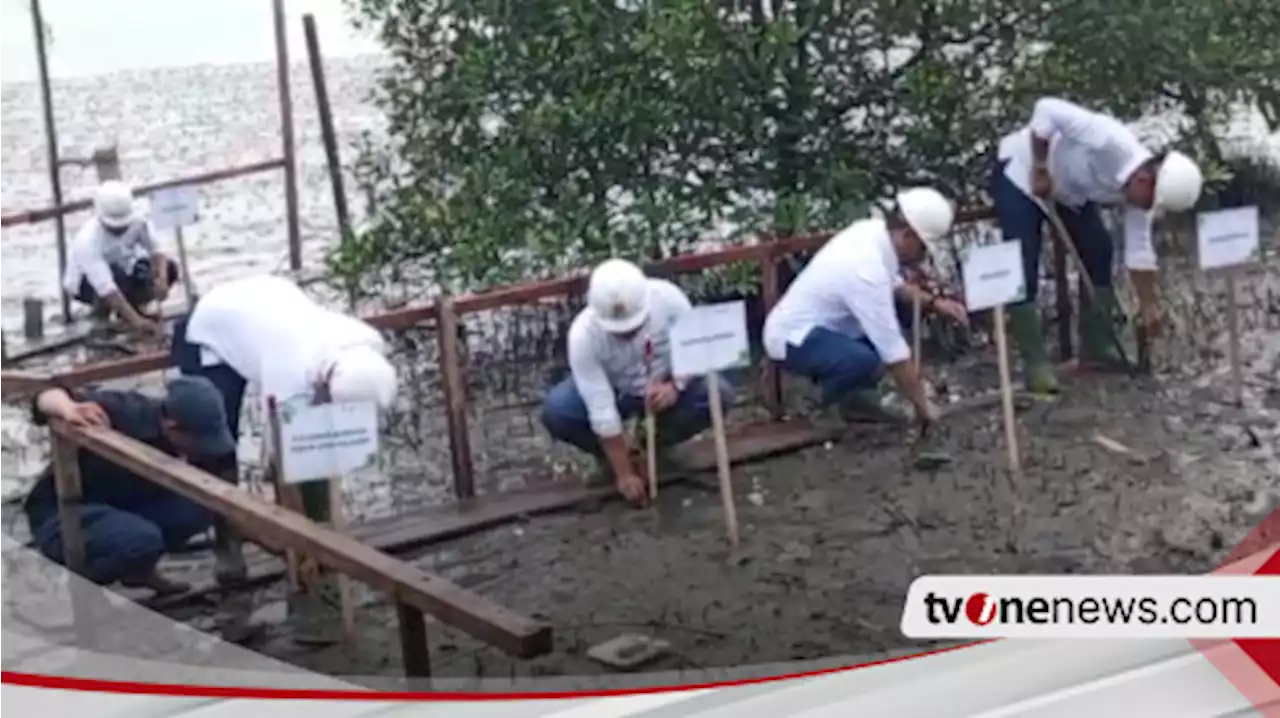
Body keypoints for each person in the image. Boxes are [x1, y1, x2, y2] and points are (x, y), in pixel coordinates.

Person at [170, 273, 398, 645]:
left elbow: (332, 441)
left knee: (319, 446)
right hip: (211, 332)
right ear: (327, 385)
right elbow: (285, 463)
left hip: (265, 306)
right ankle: (229, 549)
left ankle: (322, 542)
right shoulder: (287, 367)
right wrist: (297, 538)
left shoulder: (366, 345)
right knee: (216, 444)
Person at [990, 97, 1204, 394]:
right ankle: (1035, 363)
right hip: (1022, 173)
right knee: (1023, 261)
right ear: (1144, 179)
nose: (1145, 209)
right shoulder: (1108, 139)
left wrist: (1148, 304)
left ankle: (1096, 344)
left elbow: (1139, 249)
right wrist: (1040, 166)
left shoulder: (1140, 194)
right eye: (1149, 203)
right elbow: (1046, 108)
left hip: (1067, 192)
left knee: (1099, 250)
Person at [763, 187, 969, 426]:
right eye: (923, 248)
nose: (922, 256)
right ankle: (825, 405)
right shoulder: (865, 268)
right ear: (908, 237)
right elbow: (893, 351)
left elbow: (897, 287)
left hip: (830, 327)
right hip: (795, 336)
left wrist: (934, 303)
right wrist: (923, 408)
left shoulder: (871, 233)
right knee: (862, 361)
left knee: (895, 320)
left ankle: (856, 399)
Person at [541, 259, 734, 508]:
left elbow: (692, 349)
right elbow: (601, 408)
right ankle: (616, 457)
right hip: (616, 389)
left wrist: (676, 386)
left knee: (718, 393)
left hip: (664, 380)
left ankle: (652, 446)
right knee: (559, 410)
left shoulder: (670, 300)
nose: (626, 333)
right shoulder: (582, 336)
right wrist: (624, 475)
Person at [23, 377, 234, 595]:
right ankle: (84, 586)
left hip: (125, 507)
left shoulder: (184, 438)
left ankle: (138, 571)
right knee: (141, 540)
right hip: (65, 514)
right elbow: (45, 395)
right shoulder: (123, 410)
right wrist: (69, 409)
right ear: (173, 426)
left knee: (200, 508)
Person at [63, 180, 180, 334]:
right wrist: (137, 323)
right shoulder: (88, 241)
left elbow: (156, 250)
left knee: (169, 267)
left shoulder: (138, 221)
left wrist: (162, 278)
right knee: (116, 276)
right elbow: (106, 287)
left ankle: (134, 308)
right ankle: (114, 317)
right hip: (85, 283)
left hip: (124, 269)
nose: (119, 230)